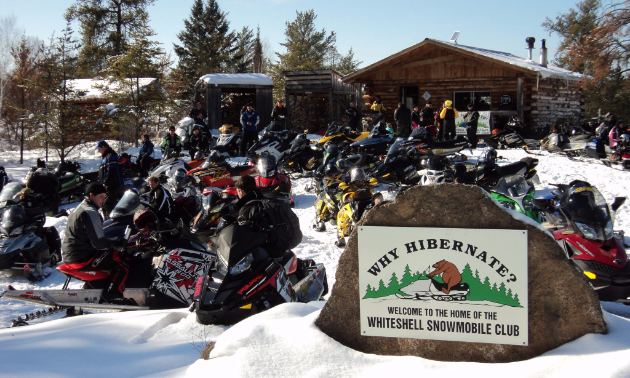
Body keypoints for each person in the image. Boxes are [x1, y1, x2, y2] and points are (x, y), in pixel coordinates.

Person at [62, 183, 135, 305]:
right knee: (123, 259)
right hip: (82, 257)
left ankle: (97, 286)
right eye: (101, 196)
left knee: (111, 256)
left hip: (72, 254)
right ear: (91, 195)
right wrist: (116, 246)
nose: (104, 199)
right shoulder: (90, 212)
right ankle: (113, 295)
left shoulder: (79, 208)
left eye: (105, 196)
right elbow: (99, 243)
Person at [97, 140, 124, 221]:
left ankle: (111, 224)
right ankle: (107, 223)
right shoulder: (105, 157)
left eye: (99, 148)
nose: (98, 151)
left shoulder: (111, 155)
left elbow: (112, 172)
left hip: (113, 187)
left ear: (104, 147)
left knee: (109, 206)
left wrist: (106, 184)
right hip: (107, 188)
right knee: (104, 206)